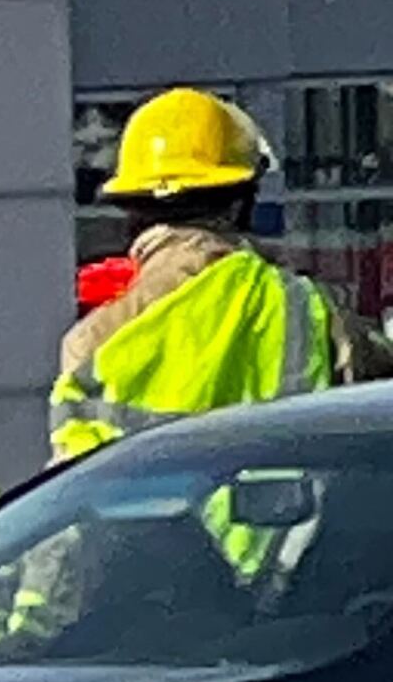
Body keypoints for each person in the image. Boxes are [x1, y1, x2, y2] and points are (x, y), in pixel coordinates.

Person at [52, 87, 393, 461]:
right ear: (241, 202)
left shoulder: (93, 343)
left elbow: (72, 488)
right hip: (291, 520)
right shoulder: (307, 310)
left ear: (131, 211)